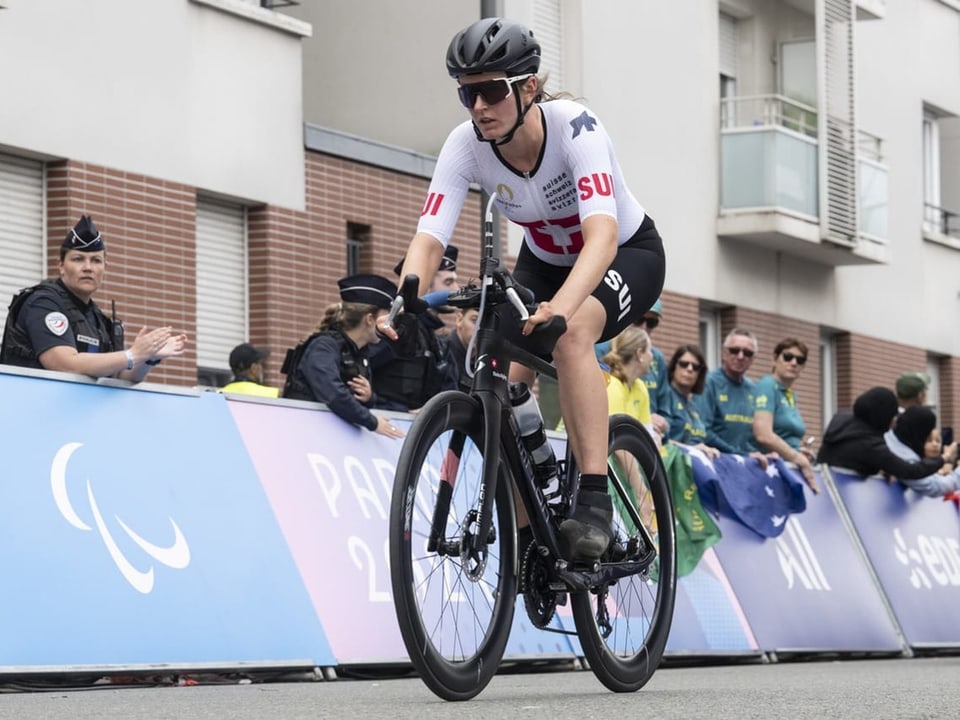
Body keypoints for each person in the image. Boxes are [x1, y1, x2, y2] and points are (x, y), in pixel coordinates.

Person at [382, 17, 666, 562]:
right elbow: (431, 232)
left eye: (491, 91)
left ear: (528, 87)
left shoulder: (575, 128)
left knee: (573, 331)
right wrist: (407, 291)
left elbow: (601, 236)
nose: (478, 107)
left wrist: (561, 307)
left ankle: (593, 500)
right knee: (496, 375)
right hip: (542, 261)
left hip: (625, 253)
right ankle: (532, 511)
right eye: (467, 93)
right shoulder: (465, 144)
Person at [0, 215, 187, 380]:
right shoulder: (42, 304)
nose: (88, 267)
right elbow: (64, 364)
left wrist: (148, 357)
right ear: (61, 266)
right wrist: (132, 354)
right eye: (78, 259)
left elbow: (121, 375)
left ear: (105, 266)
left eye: (96, 260)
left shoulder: (99, 320)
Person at [282, 274, 404, 438]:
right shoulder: (323, 347)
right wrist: (372, 422)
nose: (391, 324)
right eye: (387, 316)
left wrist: (369, 398)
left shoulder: (360, 352)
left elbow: (349, 398)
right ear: (369, 319)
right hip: (303, 435)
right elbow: (332, 394)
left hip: (331, 437)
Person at [817, 387, 944, 481]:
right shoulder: (871, 444)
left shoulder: (841, 420)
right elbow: (910, 471)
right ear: (883, 416)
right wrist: (942, 459)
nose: (894, 420)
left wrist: (881, 467)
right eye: (892, 415)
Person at [753, 338, 819, 493]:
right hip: (768, 471)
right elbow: (763, 435)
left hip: (786, 468)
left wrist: (800, 450)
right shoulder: (767, 386)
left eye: (800, 360)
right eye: (788, 357)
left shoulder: (790, 395)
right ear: (775, 359)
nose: (794, 363)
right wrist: (797, 457)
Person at [595, 298, 669, 437]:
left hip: (638, 436)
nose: (644, 327)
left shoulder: (656, 359)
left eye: (651, 322)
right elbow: (612, 433)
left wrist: (661, 424)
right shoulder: (601, 349)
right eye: (639, 319)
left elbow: (665, 408)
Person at [701, 328, 768, 466]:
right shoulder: (709, 383)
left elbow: (755, 436)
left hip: (744, 466)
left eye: (747, 353)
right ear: (724, 353)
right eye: (735, 350)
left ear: (753, 359)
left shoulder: (754, 389)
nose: (740, 356)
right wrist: (738, 453)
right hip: (716, 462)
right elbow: (704, 431)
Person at [883, 406, 960, 498]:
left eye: (937, 441)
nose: (934, 445)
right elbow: (933, 486)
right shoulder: (905, 458)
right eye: (927, 437)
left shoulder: (889, 438)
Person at [601, 325, 657, 443]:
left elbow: (648, 437)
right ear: (639, 354)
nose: (652, 356)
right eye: (650, 350)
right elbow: (615, 440)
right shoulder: (611, 386)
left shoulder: (640, 387)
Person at [661, 345, 719, 458]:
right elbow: (657, 439)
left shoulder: (695, 404)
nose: (689, 369)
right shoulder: (664, 396)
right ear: (674, 367)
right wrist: (690, 449)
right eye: (684, 364)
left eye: (696, 367)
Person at [441, 306, 479, 391]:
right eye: (475, 320)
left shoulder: (483, 362)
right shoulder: (442, 354)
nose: (479, 328)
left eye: (486, 323)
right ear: (459, 320)